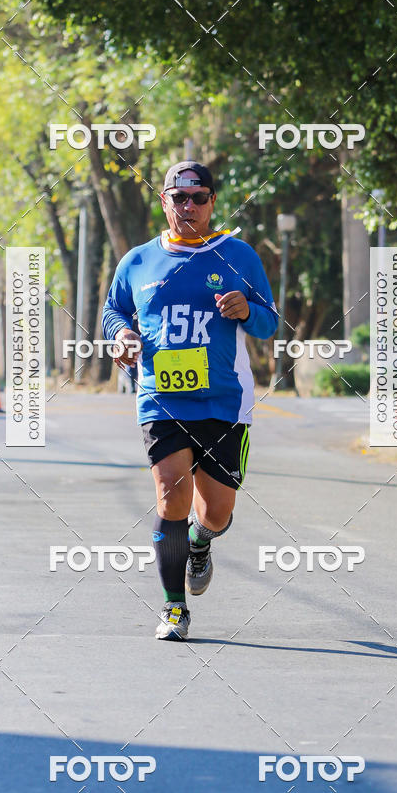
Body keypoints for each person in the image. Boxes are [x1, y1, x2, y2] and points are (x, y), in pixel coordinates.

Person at [102, 161, 278, 640]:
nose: (189, 206)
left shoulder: (238, 255)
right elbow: (113, 311)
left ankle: (201, 543)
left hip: (223, 400)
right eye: (179, 198)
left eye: (199, 197)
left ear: (213, 202)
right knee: (170, 496)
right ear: (164, 202)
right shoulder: (137, 260)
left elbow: (270, 321)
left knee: (216, 511)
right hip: (161, 398)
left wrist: (247, 309)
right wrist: (120, 337)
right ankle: (173, 609)